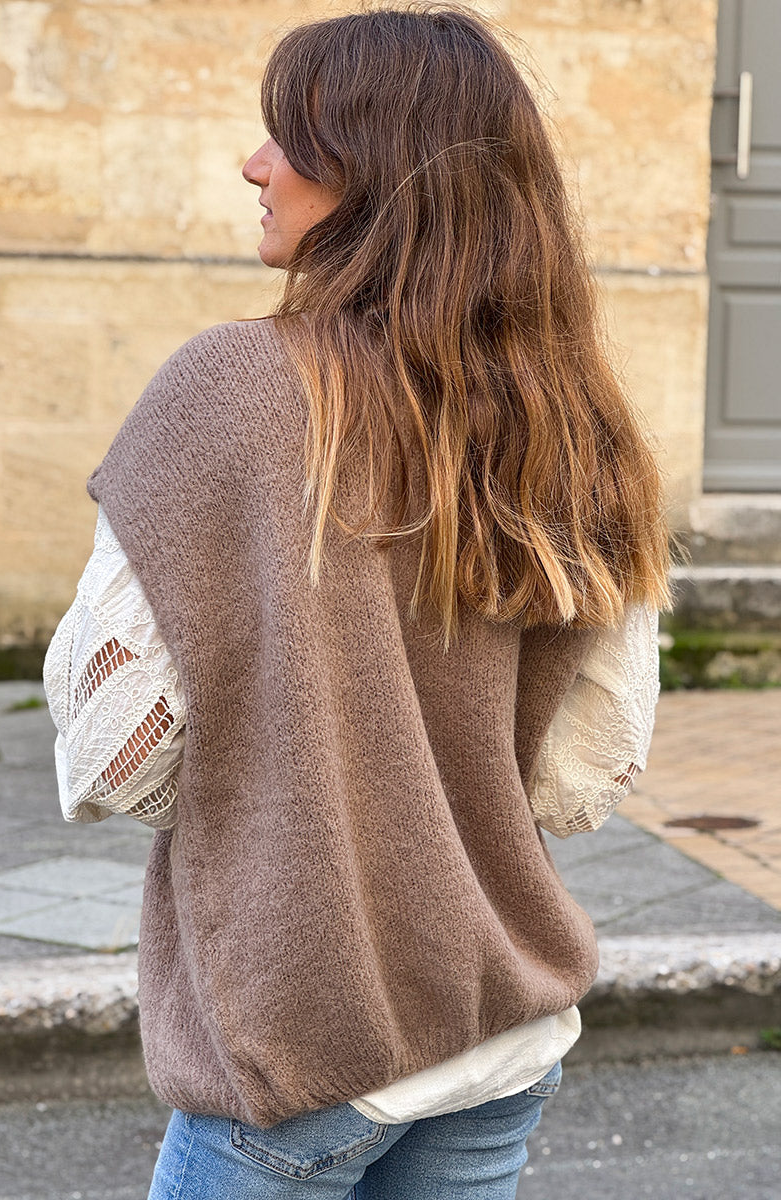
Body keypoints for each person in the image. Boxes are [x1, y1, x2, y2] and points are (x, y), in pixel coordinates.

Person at [43, 5, 669, 1197]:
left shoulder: (230, 392)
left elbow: (112, 752)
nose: (252, 163)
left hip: (302, 1050)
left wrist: (281, 788)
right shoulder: (568, 416)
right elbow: (586, 768)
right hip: (500, 1044)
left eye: (291, 139)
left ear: (377, 176)